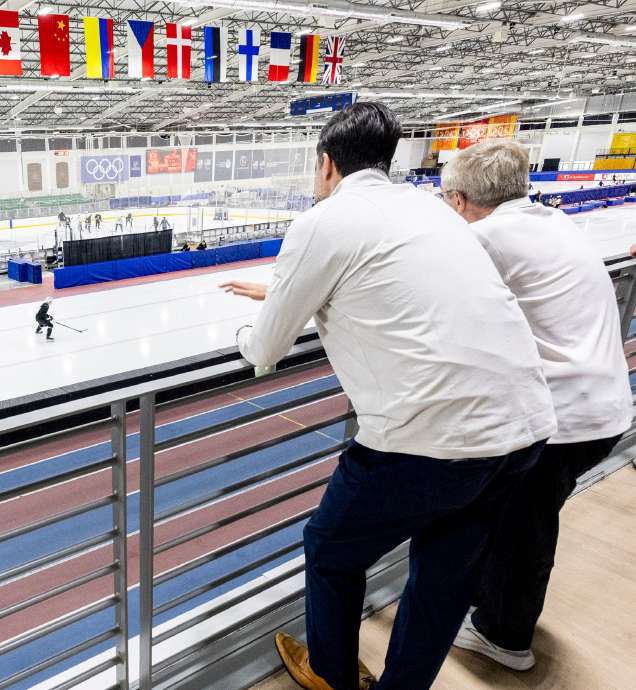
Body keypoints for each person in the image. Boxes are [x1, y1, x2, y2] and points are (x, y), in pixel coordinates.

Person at [221, 102, 555, 690]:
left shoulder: (323, 220)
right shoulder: (432, 210)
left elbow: (265, 348)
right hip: (522, 428)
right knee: (444, 576)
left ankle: (330, 676)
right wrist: (287, 290)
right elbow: (392, 281)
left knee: (330, 548)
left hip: (430, 440)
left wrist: (254, 325)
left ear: (326, 165)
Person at [441, 140, 631, 671]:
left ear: (459, 201)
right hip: (603, 405)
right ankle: (492, 607)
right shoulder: (554, 221)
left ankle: (504, 637)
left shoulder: (485, 237)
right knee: (516, 517)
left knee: (525, 528)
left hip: (563, 418)